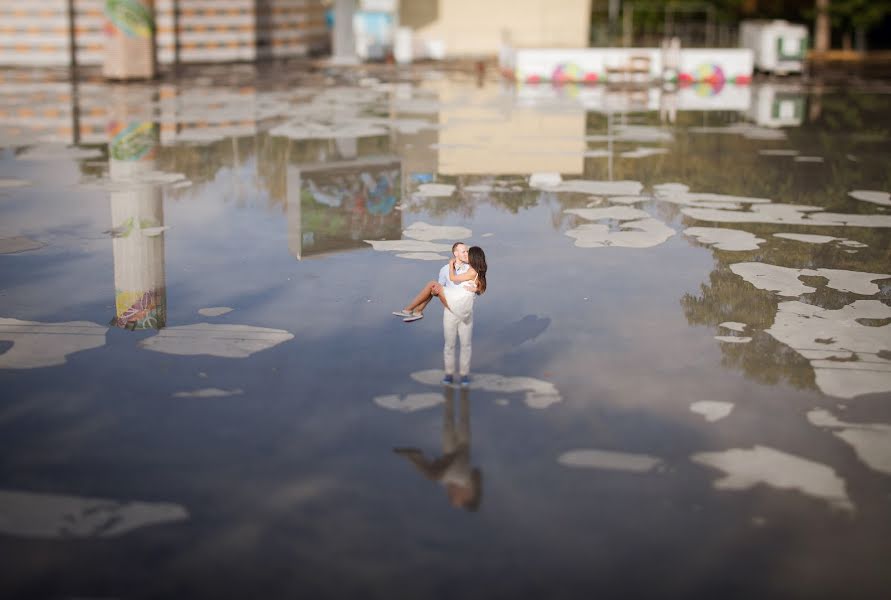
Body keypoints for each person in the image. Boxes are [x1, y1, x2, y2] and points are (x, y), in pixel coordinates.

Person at [393, 246, 488, 386]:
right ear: (455, 253)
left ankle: (464, 375)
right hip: (451, 307)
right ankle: (449, 374)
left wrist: (476, 288)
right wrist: (441, 290)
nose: (466, 254)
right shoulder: (446, 270)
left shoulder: (471, 269)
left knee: (466, 344)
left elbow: (475, 285)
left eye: (468, 252)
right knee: (449, 344)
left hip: (462, 308)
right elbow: (437, 290)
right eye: (464, 251)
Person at [393, 386, 482, 512]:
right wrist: (464, 491)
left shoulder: (454, 491)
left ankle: (414, 456)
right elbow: (475, 475)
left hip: (453, 461)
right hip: (461, 460)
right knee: (460, 418)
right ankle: (414, 456)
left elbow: (451, 486)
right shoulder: (469, 492)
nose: (453, 499)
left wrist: (454, 492)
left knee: (449, 420)